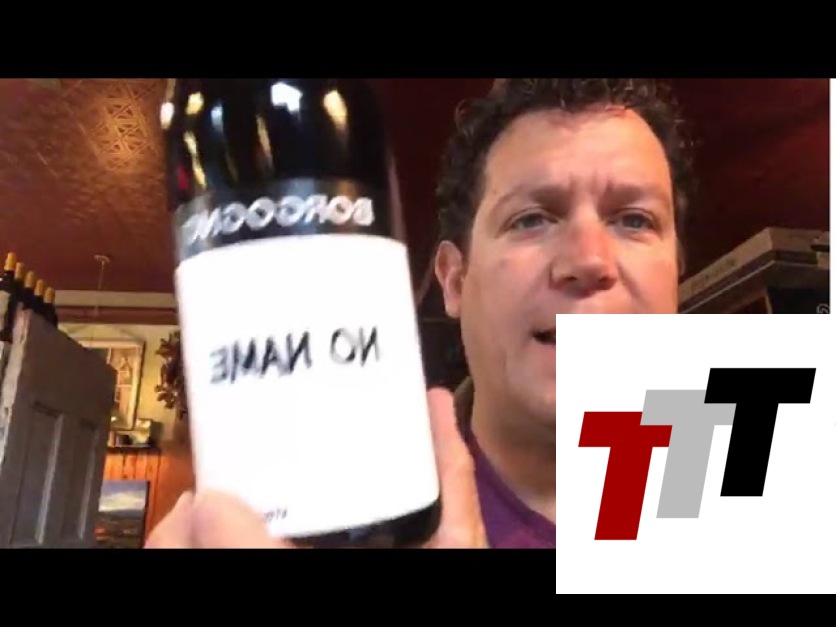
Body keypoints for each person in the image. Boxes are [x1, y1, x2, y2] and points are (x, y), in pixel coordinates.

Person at [146, 78, 696, 549]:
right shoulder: (346, 517)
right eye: (531, 219)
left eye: (635, 220)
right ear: (454, 280)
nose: (589, 260)